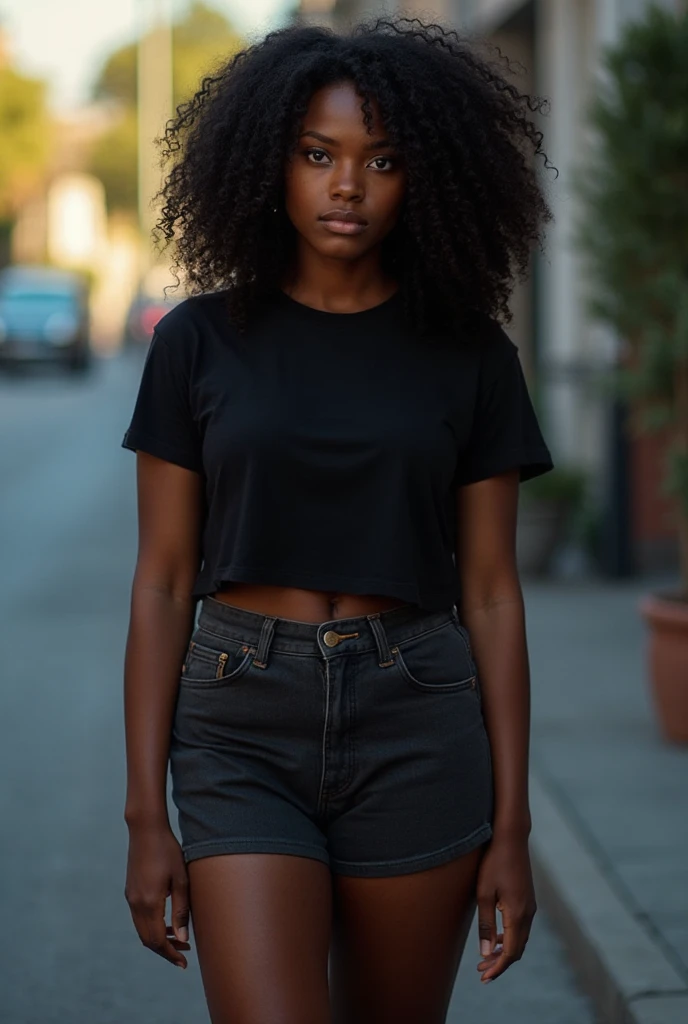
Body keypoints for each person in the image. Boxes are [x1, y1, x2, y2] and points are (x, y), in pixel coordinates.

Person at [121, 15, 555, 1024]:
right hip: (240, 721)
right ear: (269, 163)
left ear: (429, 177)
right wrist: (147, 813)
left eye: (382, 159)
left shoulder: (470, 354)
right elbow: (160, 577)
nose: (346, 185)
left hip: (417, 716)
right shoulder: (197, 342)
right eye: (317, 154)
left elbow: (490, 592)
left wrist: (513, 828)